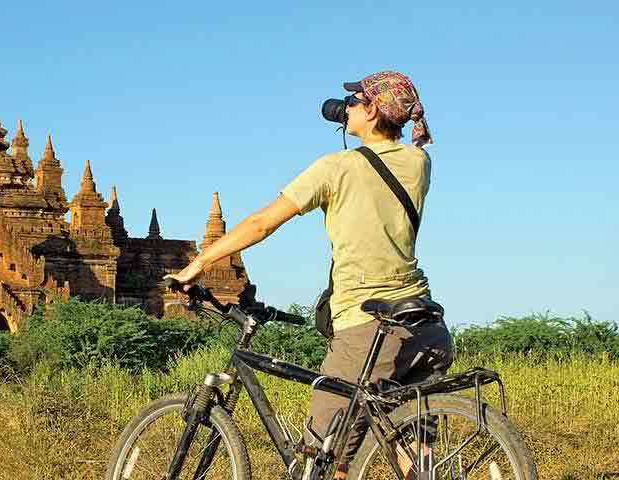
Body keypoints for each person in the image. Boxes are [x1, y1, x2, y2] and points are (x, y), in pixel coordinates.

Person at [164, 71, 454, 477]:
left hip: (366, 325)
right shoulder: (419, 161)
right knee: (410, 454)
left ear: (372, 112)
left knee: (323, 458)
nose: (345, 109)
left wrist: (198, 264)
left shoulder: (335, 168)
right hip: (425, 322)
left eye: (353, 102)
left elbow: (262, 223)